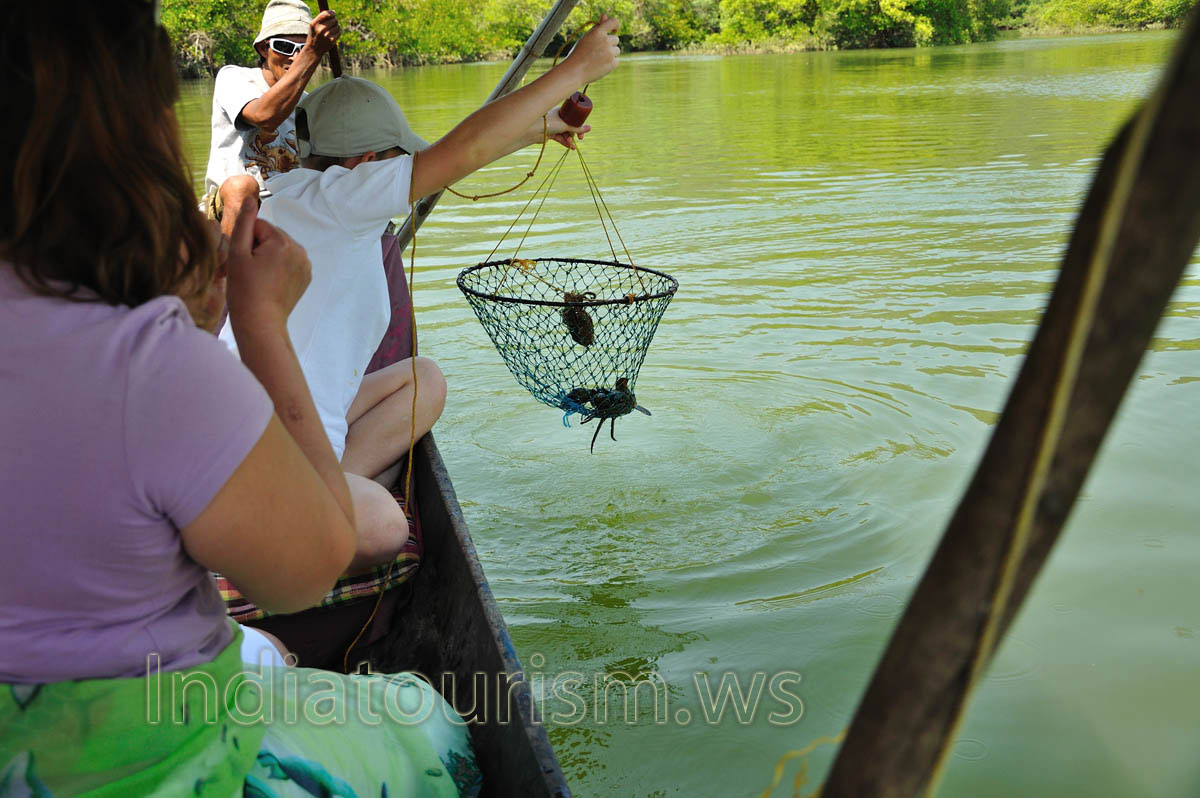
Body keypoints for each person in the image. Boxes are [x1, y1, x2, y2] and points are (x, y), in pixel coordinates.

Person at [0, 3, 477, 795]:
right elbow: (302, 575)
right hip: (151, 758)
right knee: (429, 724)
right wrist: (260, 323)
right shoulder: (146, 359)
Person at [203, 0, 340, 234]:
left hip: (286, 214)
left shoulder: (312, 104)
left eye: (304, 46)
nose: (295, 57)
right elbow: (265, 116)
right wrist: (313, 51)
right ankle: (227, 266)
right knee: (242, 187)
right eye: (284, 47)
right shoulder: (234, 78)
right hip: (232, 211)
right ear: (264, 49)